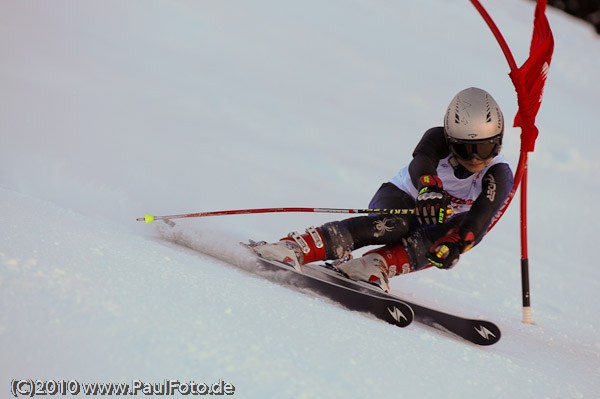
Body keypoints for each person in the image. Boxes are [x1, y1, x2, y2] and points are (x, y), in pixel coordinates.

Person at [252, 87, 514, 292]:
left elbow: (481, 216)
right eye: (464, 149)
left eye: (485, 148)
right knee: (397, 224)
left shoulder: (498, 174)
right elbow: (421, 162)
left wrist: (456, 245)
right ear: (449, 140)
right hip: (400, 196)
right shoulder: (437, 137)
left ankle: (375, 264)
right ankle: (297, 247)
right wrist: (428, 189)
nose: (475, 158)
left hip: (437, 218)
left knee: (458, 233)